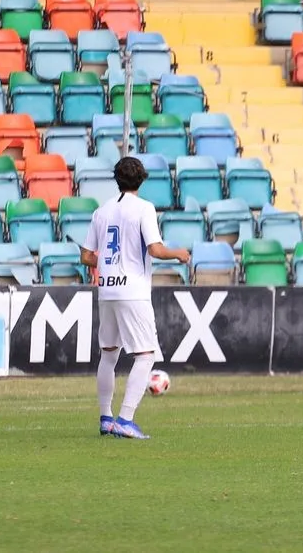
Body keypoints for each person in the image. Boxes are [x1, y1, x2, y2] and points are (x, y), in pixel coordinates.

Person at [80, 157, 190, 439]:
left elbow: (86, 256)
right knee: (145, 355)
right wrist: (178, 253)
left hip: (107, 289)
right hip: (133, 291)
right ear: (141, 180)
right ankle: (126, 419)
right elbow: (155, 249)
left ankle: (106, 417)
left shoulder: (101, 211)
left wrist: (108, 263)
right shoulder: (144, 208)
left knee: (109, 355)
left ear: (116, 180)